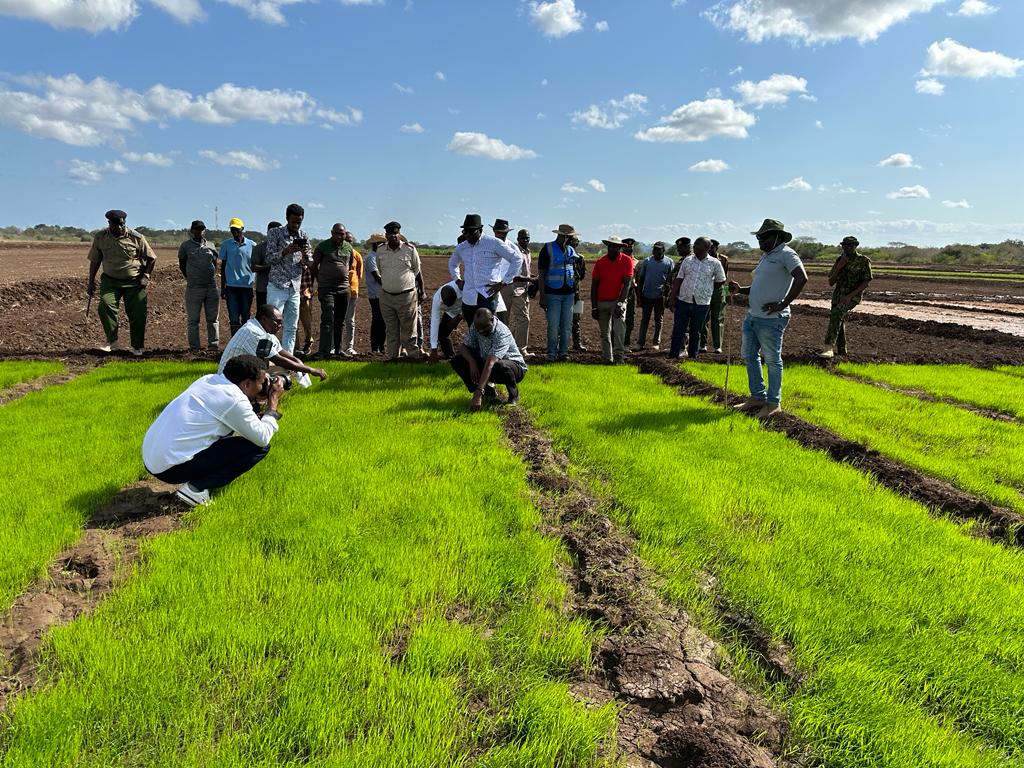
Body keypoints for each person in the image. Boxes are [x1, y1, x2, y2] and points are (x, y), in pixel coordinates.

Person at [142, 354, 282, 508]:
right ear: (247, 384)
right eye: (262, 383)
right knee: (259, 447)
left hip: (152, 459)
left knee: (232, 436)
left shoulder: (208, 380)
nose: (264, 386)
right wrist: (272, 406)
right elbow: (262, 438)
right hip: (170, 469)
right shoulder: (234, 399)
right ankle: (196, 488)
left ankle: (195, 481)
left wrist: (255, 398)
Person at [728, 219, 808, 419]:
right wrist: (741, 290)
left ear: (778, 237)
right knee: (748, 355)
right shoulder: (766, 256)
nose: (760, 240)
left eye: (764, 237)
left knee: (772, 360)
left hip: (772, 319)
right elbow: (759, 286)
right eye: (758, 237)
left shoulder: (787, 254)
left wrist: (782, 303)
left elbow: (802, 278)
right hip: (753, 316)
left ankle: (773, 403)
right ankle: (757, 396)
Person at [86, 209, 157, 355]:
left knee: (138, 314)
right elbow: (95, 260)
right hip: (110, 281)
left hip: (134, 282)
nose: (119, 227)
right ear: (109, 223)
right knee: (105, 306)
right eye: (116, 225)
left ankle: (137, 347)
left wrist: (146, 276)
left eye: (122, 224)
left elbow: (152, 258)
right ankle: (112, 342)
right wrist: (91, 281)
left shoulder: (136, 237)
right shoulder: (101, 237)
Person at [218, 304, 328, 383]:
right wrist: (311, 370)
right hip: (228, 380)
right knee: (281, 374)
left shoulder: (263, 330)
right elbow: (278, 359)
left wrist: (298, 362)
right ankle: (266, 401)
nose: (279, 325)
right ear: (264, 319)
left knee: (288, 369)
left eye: (281, 322)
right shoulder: (254, 332)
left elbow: (281, 352)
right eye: (277, 322)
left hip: (240, 373)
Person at [448, 214, 522, 325]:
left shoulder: (493, 243)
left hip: (487, 295)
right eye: (465, 231)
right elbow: (453, 263)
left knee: (487, 330)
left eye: (471, 231)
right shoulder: (462, 247)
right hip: (469, 297)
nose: (467, 235)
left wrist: (504, 283)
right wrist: (457, 279)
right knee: (472, 329)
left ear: (480, 230)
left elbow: (517, 259)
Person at [451, 308, 528, 411]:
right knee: (457, 361)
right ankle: (488, 393)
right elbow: (463, 347)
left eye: (485, 328)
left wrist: (478, 393)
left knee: (500, 365)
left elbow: (490, 363)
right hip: (489, 364)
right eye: (479, 330)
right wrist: (472, 362)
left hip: (513, 368)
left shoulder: (501, 332)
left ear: (492, 320)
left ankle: (513, 396)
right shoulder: (477, 326)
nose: (481, 332)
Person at [371, 221, 422, 360]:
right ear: (386, 235)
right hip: (387, 297)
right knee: (391, 330)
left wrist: (420, 290)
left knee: (409, 331)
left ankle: (413, 358)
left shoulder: (410, 249)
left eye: (396, 233)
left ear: (399, 234)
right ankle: (393, 358)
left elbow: (416, 270)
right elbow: (381, 271)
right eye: (390, 234)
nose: (393, 236)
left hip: (406, 296)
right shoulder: (381, 250)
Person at [669, 237, 726, 360]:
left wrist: (706, 289)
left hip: (701, 303)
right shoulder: (687, 261)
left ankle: (692, 357)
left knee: (696, 332)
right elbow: (679, 279)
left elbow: (721, 280)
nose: (694, 246)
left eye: (698, 244)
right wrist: (672, 297)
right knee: (678, 330)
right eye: (694, 244)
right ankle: (673, 356)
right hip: (683, 300)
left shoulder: (715, 263)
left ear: (707, 247)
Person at [266, 204, 312, 354]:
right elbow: (268, 258)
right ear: (287, 219)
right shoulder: (275, 233)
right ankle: (268, 357)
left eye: (299, 222)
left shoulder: (303, 236)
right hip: (277, 286)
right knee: (270, 325)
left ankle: (288, 359)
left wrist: (305, 255)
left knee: (291, 326)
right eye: (293, 222)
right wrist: (284, 252)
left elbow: (308, 262)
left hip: (294, 288)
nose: (296, 225)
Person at [820, 235, 873, 358]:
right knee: (838, 319)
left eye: (851, 246)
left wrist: (850, 296)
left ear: (856, 246)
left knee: (837, 314)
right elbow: (831, 282)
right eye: (845, 246)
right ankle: (842, 351)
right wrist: (839, 267)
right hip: (838, 296)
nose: (848, 248)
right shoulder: (840, 260)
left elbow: (866, 282)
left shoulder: (863, 260)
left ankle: (828, 347)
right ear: (842, 247)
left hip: (852, 297)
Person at [177, 220, 221, 353]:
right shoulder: (185, 246)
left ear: (204, 231)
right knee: (193, 320)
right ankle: (194, 347)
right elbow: (182, 265)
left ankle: (213, 346)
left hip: (211, 287)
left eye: (202, 229)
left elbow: (215, 263)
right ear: (192, 231)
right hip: (194, 288)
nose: (199, 232)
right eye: (197, 229)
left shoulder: (211, 246)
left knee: (213, 319)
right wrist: (191, 278)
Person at [537, 224, 579, 361]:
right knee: (554, 326)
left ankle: (563, 353)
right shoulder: (547, 248)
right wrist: (542, 295)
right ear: (563, 236)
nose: (572, 239)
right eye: (570, 237)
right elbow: (541, 274)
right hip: (552, 294)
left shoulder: (571, 250)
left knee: (567, 326)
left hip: (569, 294)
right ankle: (551, 353)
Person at [590, 236, 635, 364]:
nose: (612, 248)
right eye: (610, 245)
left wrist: (620, 304)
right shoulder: (600, 262)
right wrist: (594, 306)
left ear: (620, 248)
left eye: (615, 246)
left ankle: (619, 357)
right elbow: (594, 285)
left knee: (619, 329)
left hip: (618, 301)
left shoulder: (626, 261)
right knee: (605, 333)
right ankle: (607, 358)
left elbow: (627, 285)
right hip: (602, 301)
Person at [311, 223, 353, 359]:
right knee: (328, 318)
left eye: (342, 234)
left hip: (343, 288)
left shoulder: (348, 247)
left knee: (340, 320)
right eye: (336, 233)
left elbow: (349, 264)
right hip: (327, 288)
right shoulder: (323, 246)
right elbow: (313, 265)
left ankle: (338, 350)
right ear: (331, 233)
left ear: (345, 234)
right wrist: (320, 279)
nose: (339, 236)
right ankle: (324, 351)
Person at [495, 225, 534, 354]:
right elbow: (513, 274)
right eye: (522, 238)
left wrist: (531, 278)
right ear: (518, 239)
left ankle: (517, 349)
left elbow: (526, 271)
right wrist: (531, 280)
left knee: (520, 320)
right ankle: (512, 349)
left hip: (523, 289)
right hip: (511, 287)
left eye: (527, 238)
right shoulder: (513, 250)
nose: (525, 240)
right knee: (507, 320)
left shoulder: (528, 252)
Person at [635, 241, 674, 350]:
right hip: (647, 295)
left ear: (663, 250)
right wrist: (639, 297)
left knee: (659, 319)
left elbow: (671, 280)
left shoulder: (669, 262)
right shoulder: (647, 262)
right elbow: (641, 279)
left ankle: (656, 343)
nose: (656, 251)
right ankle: (640, 343)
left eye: (658, 249)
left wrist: (668, 294)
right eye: (654, 249)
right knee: (644, 320)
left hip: (660, 297)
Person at [220, 217, 255, 337]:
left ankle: (245, 341)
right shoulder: (226, 245)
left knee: (246, 316)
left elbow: (255, 264)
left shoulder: (252, 245)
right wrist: (223, 288)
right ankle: (235, 342)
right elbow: (223, 267)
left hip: (246, 286)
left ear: (242, 229)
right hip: (231, 287)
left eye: (237, 229)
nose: (234, 232)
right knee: (234, 317)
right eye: (232, 229)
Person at [699, 239, 730, 354]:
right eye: (709, 247)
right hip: (705, 291)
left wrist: (726, 294)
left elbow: (724, 278)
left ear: (716, 248)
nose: (710, 249)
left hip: (718, 292)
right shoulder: (702, 258)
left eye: (712, 247)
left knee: (718, 319)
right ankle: (703, 345)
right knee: (703, 319)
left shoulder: (723, 259)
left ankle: (717, 346)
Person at [428, 279, 466, 360]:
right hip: (451, 312)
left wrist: (460, 316)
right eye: (447, 304)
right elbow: (434, 322)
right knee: (442, 333)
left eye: (451, 303)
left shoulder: (463, 287)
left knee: (474, 332)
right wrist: (433, 349)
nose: (448, 305)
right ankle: (451, 358)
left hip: (465, 308)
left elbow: (473, 302)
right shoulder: (437, 300)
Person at [363, 232, 388, 353]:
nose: (383, 245)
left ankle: (381, 347)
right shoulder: (371, 258)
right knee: (377, 321)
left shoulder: (379, 256)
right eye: (380, 243)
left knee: (383, 322)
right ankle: (375, 347)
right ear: (375, 244)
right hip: (376, 294)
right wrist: (390, 285)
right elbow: (377, 277)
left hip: (383, 294)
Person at [341, 230, 364, 357]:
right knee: (337, 320)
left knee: (350, 320)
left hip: (352, 292)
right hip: (338, 292)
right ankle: (335, 347)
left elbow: (359, 275)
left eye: (350, 241)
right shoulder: (337, 254)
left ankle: (349, 347)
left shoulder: (357, 256)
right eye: (346, 241)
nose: (348, 243)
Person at [249, 221, 280, 309]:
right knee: (263, 315)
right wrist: (271, 266)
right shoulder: (259, 248)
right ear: (268, 233)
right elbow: (254, 267)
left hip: (281, 289)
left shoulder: (284, 248)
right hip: (264, 289)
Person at [570, 237, 588, 352]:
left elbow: (581, 275)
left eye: (575, 242)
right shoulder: (564, 256)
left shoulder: (580, 258)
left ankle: (577, 343)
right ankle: (560, 343)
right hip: (564, 293)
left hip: (577, 293)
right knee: (563, 319)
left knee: (576, 319)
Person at [621, 237, 638, 348]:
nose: (629, 249)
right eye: (627, 247)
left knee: (630, 319)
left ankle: (626, 343)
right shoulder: (618, 259)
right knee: (618, 319)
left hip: (631, 292)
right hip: (619, 292)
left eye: (631, 247)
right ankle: (615, 343)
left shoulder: (636, 262)